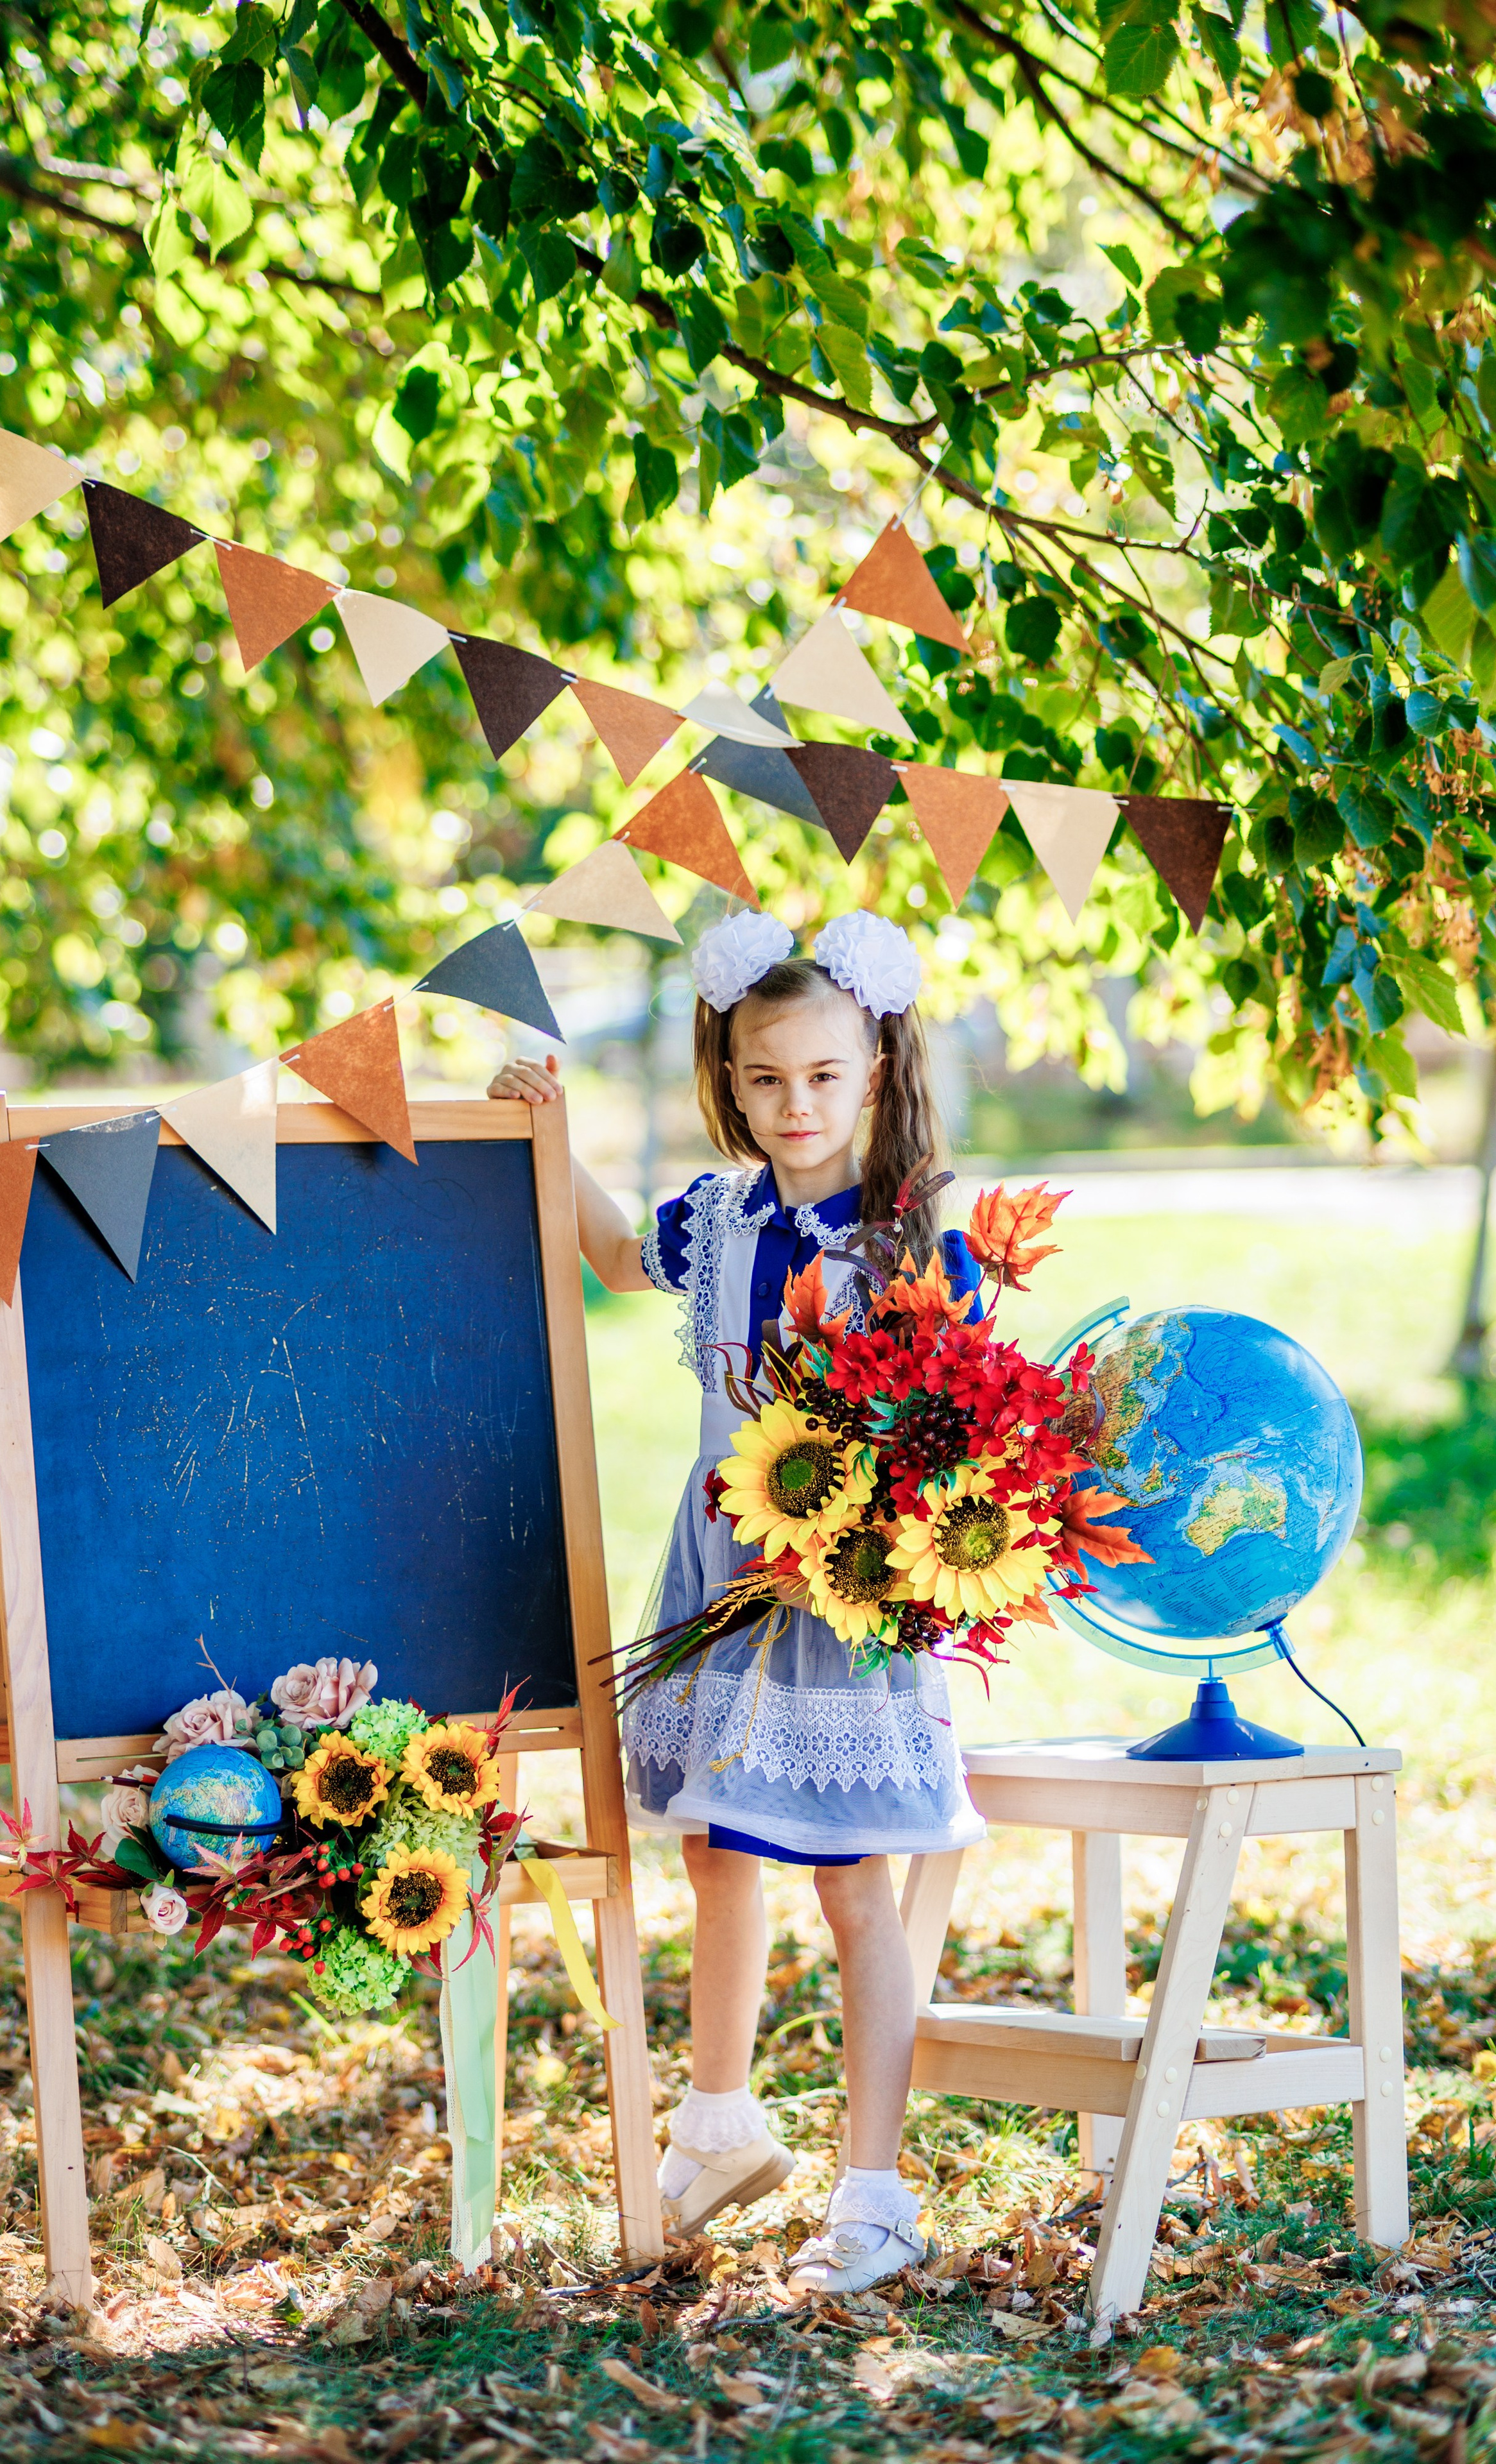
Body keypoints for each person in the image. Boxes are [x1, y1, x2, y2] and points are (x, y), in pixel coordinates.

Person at [486, 907, 984, 2296]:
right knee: (714, 1853)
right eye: (765, 1078)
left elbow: (955, 1435)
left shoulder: (906, 1246)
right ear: (729, 1078)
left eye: (821, 1074)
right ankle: (720, 2126)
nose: (794, 1104)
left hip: (839, 1592)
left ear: (874, 1068)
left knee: (850, 1881)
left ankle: (875, 2192)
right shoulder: (716, 1220)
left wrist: (866, 1538)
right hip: (720, 1570)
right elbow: (608, 1255)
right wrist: (551, 1130)